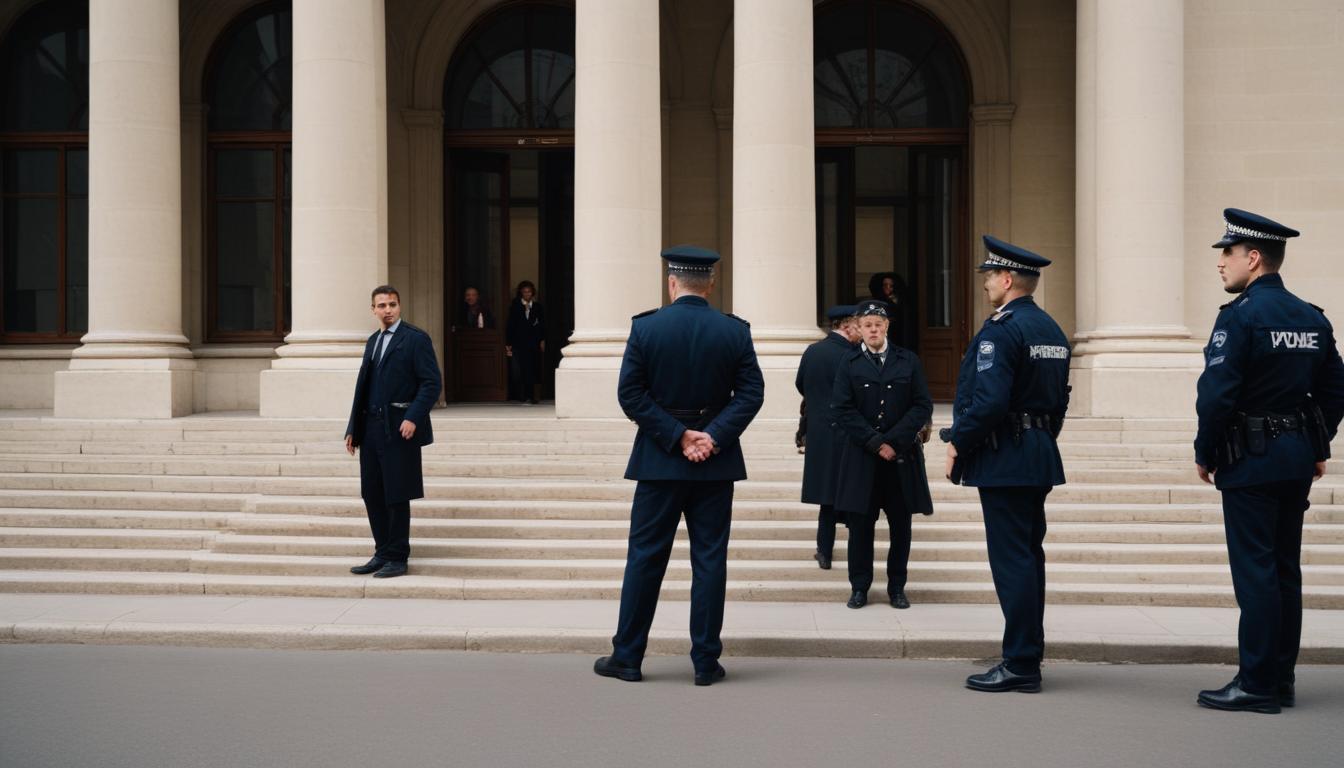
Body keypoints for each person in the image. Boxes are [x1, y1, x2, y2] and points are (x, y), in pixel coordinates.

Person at [1193, 209, 1344, 714]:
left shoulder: (1239, 317)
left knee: (1256, 572)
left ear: (1253, 258)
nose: (1220, 264)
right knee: (1284, 571)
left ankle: (1255, 684)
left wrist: (1204, 450)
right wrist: (1317, 445)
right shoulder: (1311, 316)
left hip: (1251, 459)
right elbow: (1333, 390)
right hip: (1295, 459)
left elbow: (1216, 394)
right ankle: (1280, 678)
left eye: (1227, 253)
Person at [593, 245, 765, 686]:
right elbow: (751, 394)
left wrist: (676, 436)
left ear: (672, 282)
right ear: (710, 283)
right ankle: (706, 662)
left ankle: (627, 657)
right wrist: (712, 436)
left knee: (645, 560)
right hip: (715, 462)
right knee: (709, 562)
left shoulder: (647, 328)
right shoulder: (734, 331)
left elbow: (630, 395)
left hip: (659, 462)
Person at [941, 236, 1070, 693]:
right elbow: (1060, 399)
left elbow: (989, 401)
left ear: (1008, 278)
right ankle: (1026, 655)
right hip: (1036, 451)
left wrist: (958, 441)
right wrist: (1039, 435)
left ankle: (1020, 663)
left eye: (989, 277)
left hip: (1006, 455)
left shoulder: (1002, 329)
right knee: (1029, 558)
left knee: (1013, 561)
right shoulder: (1051, 328)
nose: (985, 285)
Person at [831, 300, 933, 609]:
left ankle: (897, 588)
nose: (873, 329)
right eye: (867, 325)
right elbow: (842, 409)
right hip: (863, 459)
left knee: (901, 528)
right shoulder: (848, 364)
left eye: (878, 324)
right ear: (858, 330)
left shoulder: (908, 360)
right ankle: (859, 587)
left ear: (886, 326)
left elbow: (921, 405)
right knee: (860, 529)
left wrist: (895, 441)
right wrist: (876, 442)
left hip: (901, 460)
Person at [344, 285, 443, 579]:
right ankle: (382, 551)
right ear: (373, 309)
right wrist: (353, 428)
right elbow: (363, 388)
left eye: (392, 304)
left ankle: (398, 557)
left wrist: (413, 416)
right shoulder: (372, 341)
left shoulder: (415, 339)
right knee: (372, 492)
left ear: (399, 306)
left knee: (397, 493)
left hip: (400, 430)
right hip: (371, 429)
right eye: (382, 305)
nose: (388, 310)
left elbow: (431, 383)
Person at [796, 304, 861, 569]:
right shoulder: (854, 355)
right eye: (858, 325)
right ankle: (857, 553)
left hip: (820, 434)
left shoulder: (813, 351)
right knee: (854, 496)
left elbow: (801, 384)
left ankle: (824, 552)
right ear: (846, 326)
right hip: (849, 434)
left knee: (827, 497)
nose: (861, 331)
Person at [506, 280, 546, 404]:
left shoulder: (538, 307)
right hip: (519, 342)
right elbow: (511, 324)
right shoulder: (515, 305)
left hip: (533, 343)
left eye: (529, 292)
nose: (527, 294)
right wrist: (508, 343)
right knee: (518, 370)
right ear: (521, 293)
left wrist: (542, 340)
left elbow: (542, 325)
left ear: (532, 293)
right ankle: (520, 396)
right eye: (524, 292)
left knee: (532, 369)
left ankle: (531, 396)